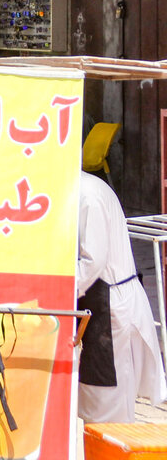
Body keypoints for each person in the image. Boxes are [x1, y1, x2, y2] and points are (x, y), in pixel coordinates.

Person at [77, 171, 167, 423]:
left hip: (110, 306)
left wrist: (58, 291)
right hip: (97, 302)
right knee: (91, 400)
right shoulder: (80, 190)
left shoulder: (88, 195)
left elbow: (92, 262)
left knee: (107, 406)